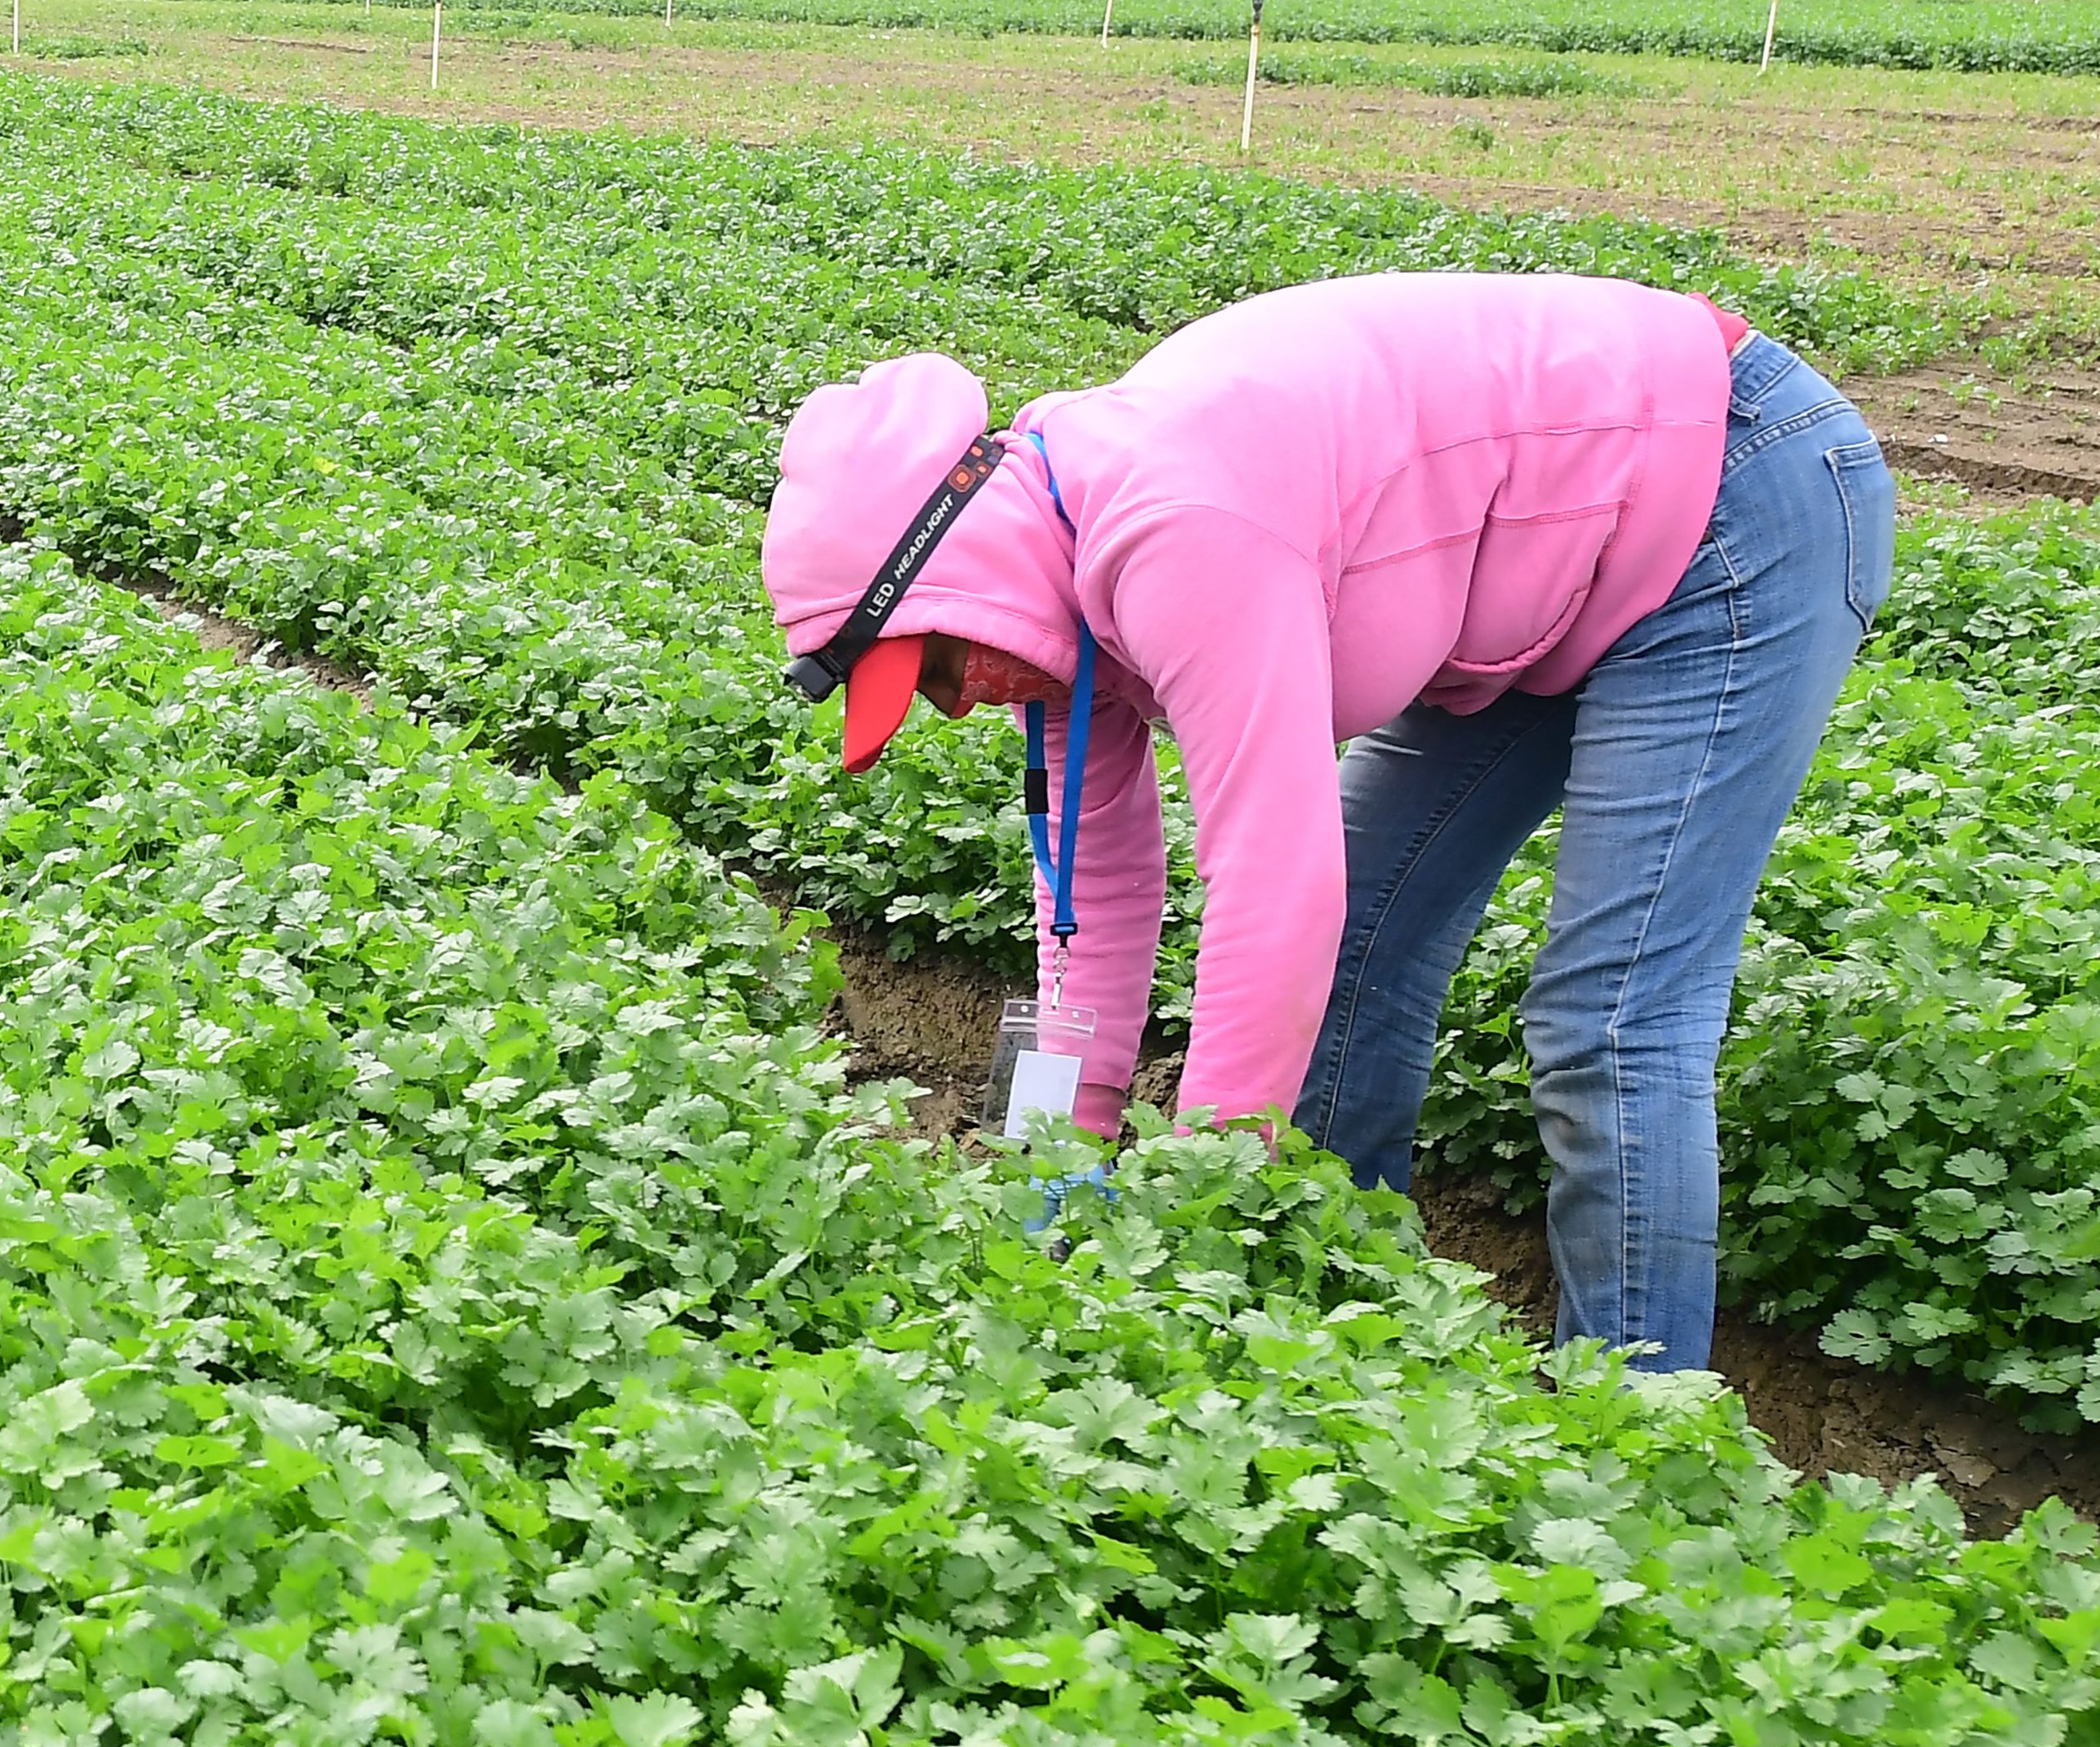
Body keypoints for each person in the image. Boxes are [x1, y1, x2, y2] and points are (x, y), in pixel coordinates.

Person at [760, 273, 1893, 1370]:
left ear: (956, 567)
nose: (956, 702)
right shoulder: (1052, 619)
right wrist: (1052, 1157)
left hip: (1731, 492)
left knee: (1608, 1013)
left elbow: (1274, 887)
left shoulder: (1174, 525)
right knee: (1364, 944)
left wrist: (1204, 1204)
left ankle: (1641, 1426)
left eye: (934, 666)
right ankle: (1343, 1327)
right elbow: (1084, 905)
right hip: (1537, 574)